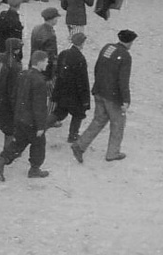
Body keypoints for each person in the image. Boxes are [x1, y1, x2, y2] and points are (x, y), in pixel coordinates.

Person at [72, 29, 136, 164]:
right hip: (113, 97)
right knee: (118, 123)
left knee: (99, 120)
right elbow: (123, 80)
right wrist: (126, 100)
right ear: (130, 42)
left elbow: (97, 68)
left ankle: (80, 145)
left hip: (100, 91)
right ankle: (112, 153)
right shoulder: (125, 56)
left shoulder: (108, 47)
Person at [0, 49, 51, 180]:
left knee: (18, 143)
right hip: (32, 121)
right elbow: (39, 106)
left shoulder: (22, 74)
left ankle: (1, 161)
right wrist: (41, 126)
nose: (47, 64)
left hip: (20, 118)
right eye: (46, 62)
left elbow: (14, 95)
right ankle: (34, 169)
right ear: (40, 62)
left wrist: (17, 113)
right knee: (39, 144)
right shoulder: (40, 81)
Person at [49, 31, 90, 143]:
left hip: (62, 89)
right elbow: (83, 81)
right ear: (82, 44)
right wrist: (85, 99)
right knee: (78, 114)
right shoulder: (80, 58)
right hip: (74, 93)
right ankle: (73, 135)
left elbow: (57, 71)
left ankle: (43, 125)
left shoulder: (64, 53)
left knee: (59, 112)